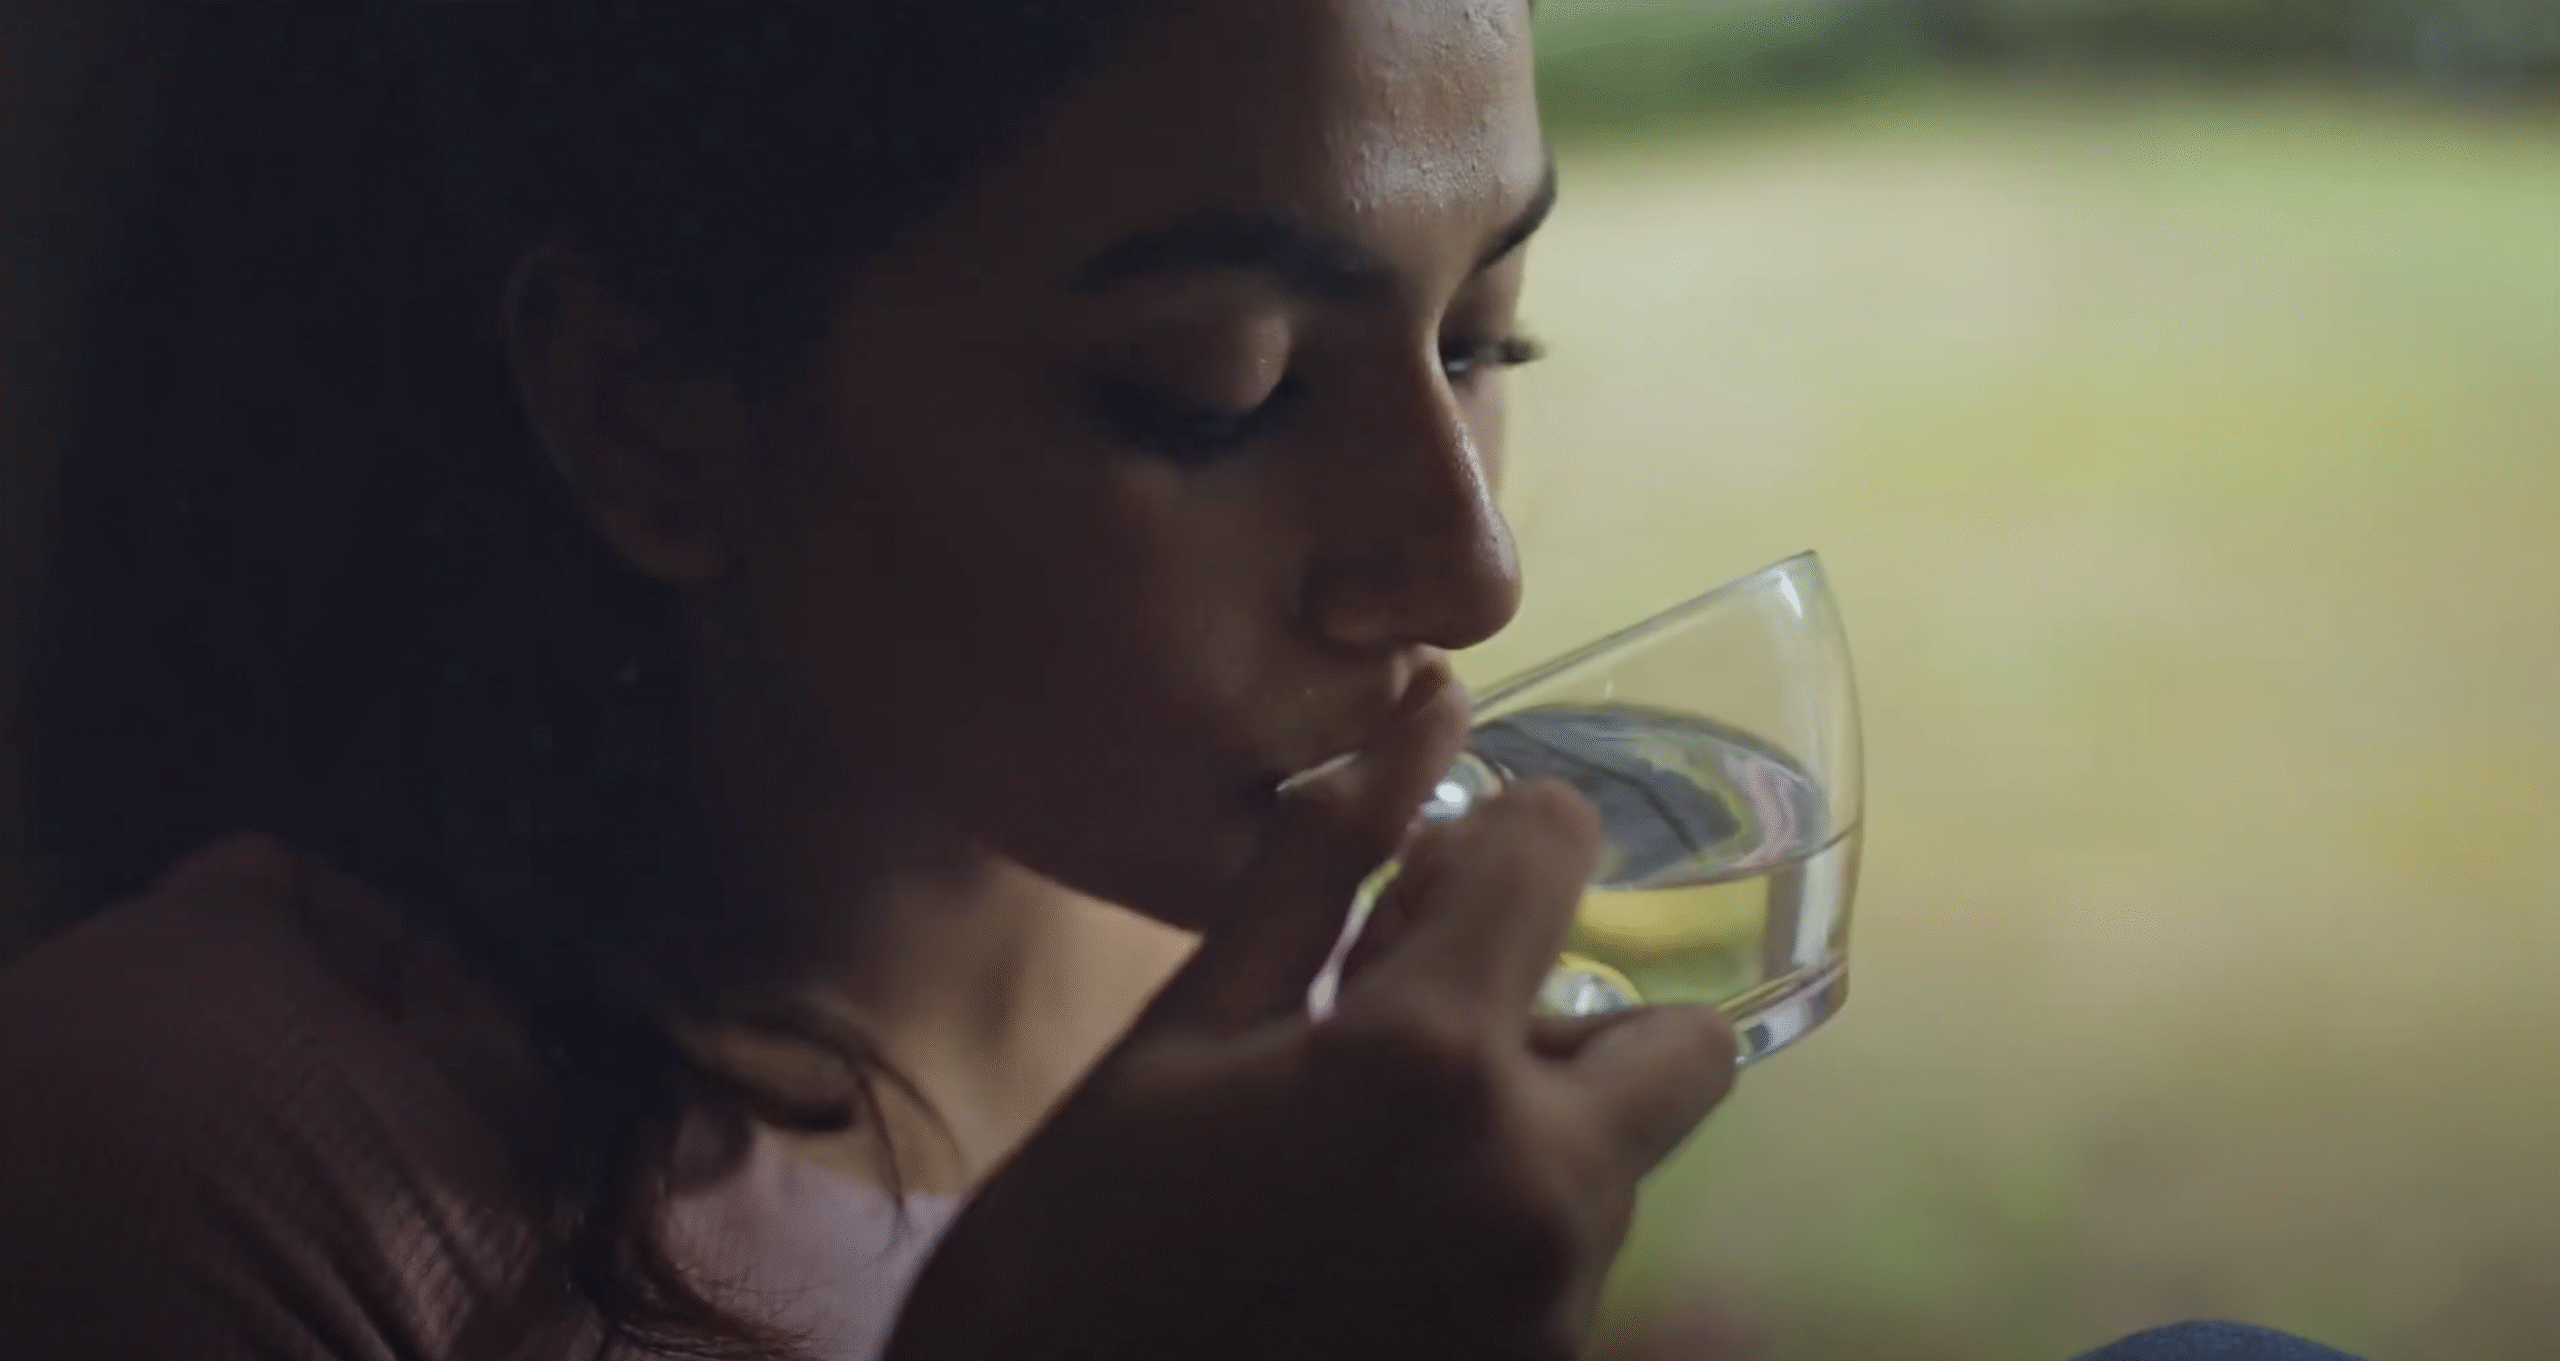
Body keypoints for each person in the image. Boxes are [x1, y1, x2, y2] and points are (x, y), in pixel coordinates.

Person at [0, 4, 2367, 1360]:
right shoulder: (202, 1160)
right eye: (1218, 388)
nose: (1473, 559)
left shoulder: (1336, 983)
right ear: (656, 418)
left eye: (1481, 334)